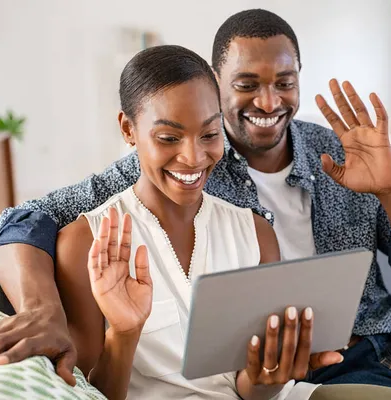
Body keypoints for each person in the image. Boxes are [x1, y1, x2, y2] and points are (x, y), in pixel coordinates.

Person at [0, 8, 391, 399]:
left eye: (284, 82)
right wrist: (40, 309)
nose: (269, 101)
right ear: (216, 84)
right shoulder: (180, 167)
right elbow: (29, 219)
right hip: (307, 367)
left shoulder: (338, 151)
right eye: (246, 84)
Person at [53, 44, 339, 400]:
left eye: (209, 134)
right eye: (169, 138)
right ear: (128, 129)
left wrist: (270, 374)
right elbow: (93, 394)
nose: (193, 157)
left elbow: (249, 391)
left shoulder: (256, 233)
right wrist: (124, 334)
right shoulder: (85, 244)